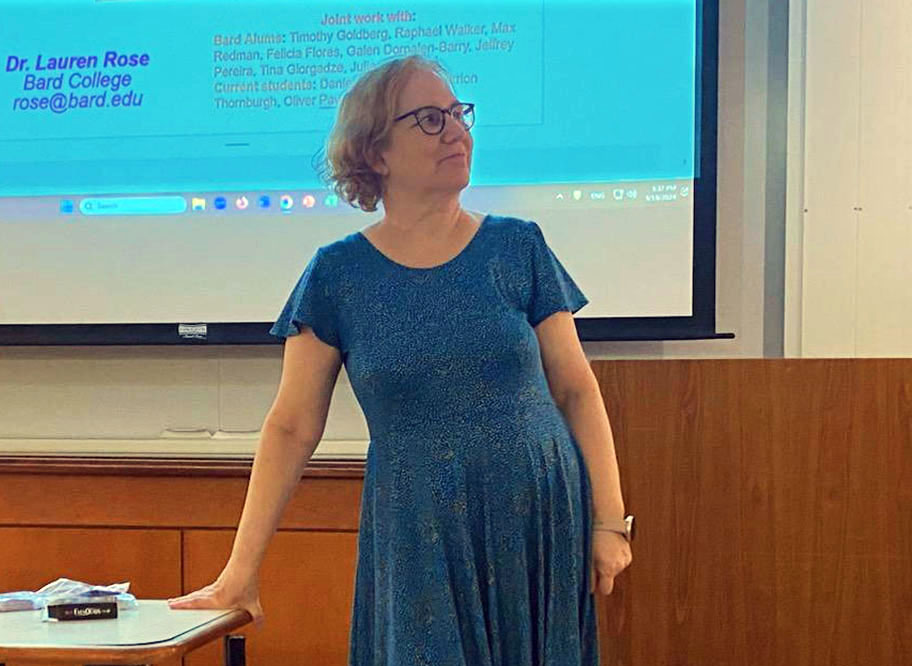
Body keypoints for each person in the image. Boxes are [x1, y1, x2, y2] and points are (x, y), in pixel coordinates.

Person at [169, 55, 633, 665]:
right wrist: (240, 572)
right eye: (429, 119)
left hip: (535, 518)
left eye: (459, 114)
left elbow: (576, 390)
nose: (457, 130)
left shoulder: (518, 245)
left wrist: (608, 522)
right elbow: (290, 425)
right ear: (375, 153)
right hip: (419, 530)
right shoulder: (338, 274)